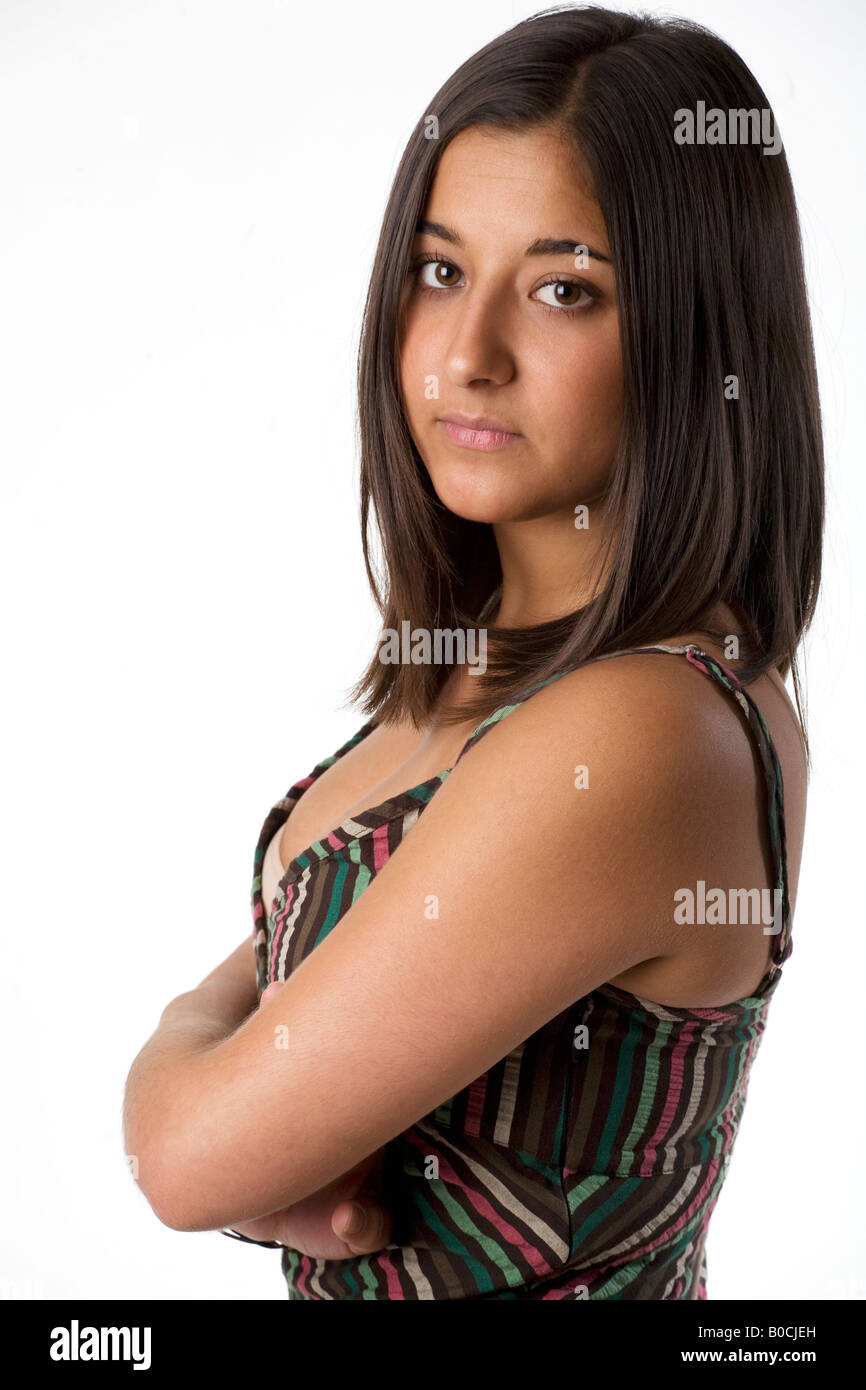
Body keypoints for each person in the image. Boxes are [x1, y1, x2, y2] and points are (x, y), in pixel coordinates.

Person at [123, 4, 823, 1299]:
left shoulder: (635, 734)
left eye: (562, 290)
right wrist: (233, 1102)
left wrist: (178, 1046)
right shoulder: (496, 682)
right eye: (440, 271)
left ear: (697, 330)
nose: (464, 354)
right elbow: (237, 1127)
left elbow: (186, 1155)